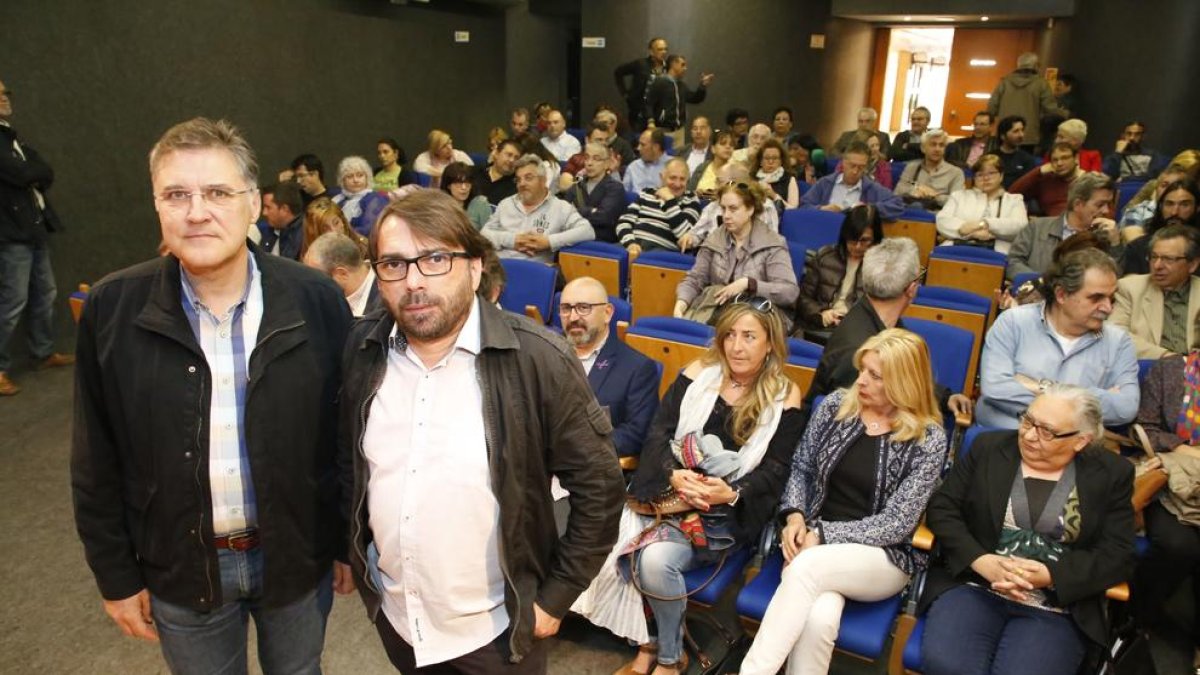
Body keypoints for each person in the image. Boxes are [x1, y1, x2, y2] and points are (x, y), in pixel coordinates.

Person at [71, 117, 354, 674]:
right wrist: (116, 576)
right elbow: (95, 459)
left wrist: (344, 539)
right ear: (157, 206)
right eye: (177, 194)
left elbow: (345, 436)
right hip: (179, 565)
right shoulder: (112, 308)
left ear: (254, 204)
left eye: (218, 193)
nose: (197, 211)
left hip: (296, 556)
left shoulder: (315, 298)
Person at [341, 189, 623, 673]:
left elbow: (600, 489)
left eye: (434, 259)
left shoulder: (539, 359)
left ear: (474, 268)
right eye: (393, 264)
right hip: (398, 621)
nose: (413, 281)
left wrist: (555, 598)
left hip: (496, 634)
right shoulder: (363, 349)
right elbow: (353, 469)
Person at [574, 298, 805, 675]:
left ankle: (666, 657)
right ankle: (653, 642)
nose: (737, 345)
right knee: (603, 540)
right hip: (668, 497)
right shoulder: (699, 373)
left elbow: (777, 469)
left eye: (749, 336)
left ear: (770, 344)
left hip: (724, 515)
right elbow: (658, 435)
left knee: (651, 561)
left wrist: (730, 493)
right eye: (729, 334)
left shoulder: (784, 396)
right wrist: (672, 473)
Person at [738, 329, 947, 675]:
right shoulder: (837, 406)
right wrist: (794, 518)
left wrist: (820, 534)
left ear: (904, 382)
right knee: (819, 619)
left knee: (807, 568)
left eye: (875, 376)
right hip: (812, 543)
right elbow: (802, 467)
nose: (861, 381)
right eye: (862, 369)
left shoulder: (928, 439)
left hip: (883, 556)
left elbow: (897, 524)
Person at [920, 385, 1135, 675]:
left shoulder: (1111, 474)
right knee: (948, 666)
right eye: (1028, 420)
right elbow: (942, 508)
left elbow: (1117, 554)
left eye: (1047, 431)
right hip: (975, 586)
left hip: (1055, 607)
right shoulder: (989, 448)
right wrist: (980, 560)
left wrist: (1052, 576)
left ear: (1081, 441)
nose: (1030, 435)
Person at [804, 237, 973, 419]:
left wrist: (943, 397)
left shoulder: (878, 320)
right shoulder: (859, 353)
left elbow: (903, 378)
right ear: (912, 288)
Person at [978, 248, 1139, 429]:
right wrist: (1085, 400)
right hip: (1005, 438)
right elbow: (995, 389)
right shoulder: (1013, 323)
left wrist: (1043, 387)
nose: (1108, 308)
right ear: (1061, 295)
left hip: (1071, 450)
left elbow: (1126, 408)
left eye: (1111, 299)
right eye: (1096, 298)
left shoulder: (1118, 342)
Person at [0, 77, 74, 395]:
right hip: (12, 234)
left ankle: (42, 352)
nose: (5, 98)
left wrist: (31, 174)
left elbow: (44, 170)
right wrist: (30, 174)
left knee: (46, 292)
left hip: (34, 228)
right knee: (13, 301)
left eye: (5, 92)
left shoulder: (11, 138)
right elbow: (24, 173)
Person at [1132, 334, 1200, 674]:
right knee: (1178, 546)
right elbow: (1145, 428)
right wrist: (1184, 448)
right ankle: (1138, 616)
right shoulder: (1171, 370)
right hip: (1172, 482)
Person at [675, 181, 798, 329]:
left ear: (750, 209)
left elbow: (789, 292)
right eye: (723, 208)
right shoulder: (715, 238)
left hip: (757, 317)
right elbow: (696, 278)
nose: (726, 215)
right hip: (716, 312)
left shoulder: (773, 243)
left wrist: (749, 284)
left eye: (733, 209)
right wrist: (682, 302)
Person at [560, 277, 660, 459]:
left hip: (592, 469)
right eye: (566, 308)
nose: (573, 317)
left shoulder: (637, 367)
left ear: (607, 313)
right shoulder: (546, 353)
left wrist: (574, 448)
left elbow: (636, 435)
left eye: (583, 308)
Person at [481, 154, 594, 264]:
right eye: (518, 179)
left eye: (528, 178)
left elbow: (587, 231)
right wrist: (512, 240)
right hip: (500, 268)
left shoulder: (560, 208)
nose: (522, 183)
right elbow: (484, 234)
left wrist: (548, 242)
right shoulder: (506, 204)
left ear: (543, 180)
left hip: (535, 271)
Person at [1109, 225, 1200, 358]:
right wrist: (1169, 357)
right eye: (1154, 257)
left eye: (1168, 259)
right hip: (1149, 368)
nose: (1157, 266)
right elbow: (1114, 335)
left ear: (1192, 265)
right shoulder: (1129, 289)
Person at [1007, 171, 1117, 280]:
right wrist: (1040, 283)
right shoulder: (1037, 227)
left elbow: (1114, 278)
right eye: (1100, 205)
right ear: (1078, 204)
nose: (1106, 210)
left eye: (1108, 204)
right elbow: (1013, 262)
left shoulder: (1105, 236)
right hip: (1034, 294)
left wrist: (1115, 244)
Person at [795, 204, 881, 336]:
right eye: (852, 240)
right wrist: (821, 313)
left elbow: (880, 311)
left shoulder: (881, 266)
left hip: (857, 332)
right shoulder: (824, 257)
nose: (857, 246)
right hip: (820, 327)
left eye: (864, 241)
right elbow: (803, 298)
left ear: (875, 240)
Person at [935, 154, 1029, 254]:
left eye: (991, 173)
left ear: (1001, 176)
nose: (986, 178)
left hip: (998, 251)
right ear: (974, 178)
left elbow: (1020, 225)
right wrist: (968, 232)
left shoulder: (1014, 200)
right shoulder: (959, 196)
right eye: (980, 174)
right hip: (958, 246)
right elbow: (942, 221)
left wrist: (986, 224)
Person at [616, 158, 700, 258]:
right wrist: (630, 243)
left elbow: (684, 236)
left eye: (682, 179)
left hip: (661, 252)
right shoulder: (647, 193)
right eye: (673, 178)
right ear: (662, 177)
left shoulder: (691, 201)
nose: (677, 184)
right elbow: (623, 222)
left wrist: (669, 200)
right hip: (632, 245)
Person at [685, 162, 779, 249]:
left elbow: (771, 243)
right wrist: (689, 239)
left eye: (719, 181)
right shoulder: (714, 206)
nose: (715, 186)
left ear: (734, 183)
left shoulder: (765, 206)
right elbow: (696, 234)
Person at [801, 141, 904, 220]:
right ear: (843, 163)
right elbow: (803, 205)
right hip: (826, 228)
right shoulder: (825, 183)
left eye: (861, 167)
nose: (855, 171)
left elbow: (898, 204)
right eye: (852, 165)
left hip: (854, 238)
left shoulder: (871, 187)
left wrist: (868, 209)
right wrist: (821, 209)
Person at [986, 52, 1067, 151]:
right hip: (1028, 134)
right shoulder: (1041, 84)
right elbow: (1050, 108)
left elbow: (992, 107)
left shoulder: (1005, 82)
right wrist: (1064, 114)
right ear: (1035, 66)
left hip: (1005, 132)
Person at [1120, 179, 1200, 275]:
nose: (1174, 212)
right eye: (1169, 204)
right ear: (1160, 207)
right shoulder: (1138, 248)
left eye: (1184, 205)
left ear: (1197, 208)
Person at [559, 141, 626, 243]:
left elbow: (603, 218)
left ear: (607, 163)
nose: (589, 163)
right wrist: (591, 211)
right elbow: (563, 214)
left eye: (596, 159)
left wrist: (576, 210)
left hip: (601, 241)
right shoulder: (578, 184)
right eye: (586, 158)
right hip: (573, 237)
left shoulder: (615, 188)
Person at [302, 231, 379, 317]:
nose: (314, 289)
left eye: (318, 280)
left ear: (342, 274)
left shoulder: (385, 304)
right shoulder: (327, 305)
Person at [645, 54, 713, 151]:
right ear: (673, 65)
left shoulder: (681, 85)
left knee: (677, 161)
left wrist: (702, 86)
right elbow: (649, 103)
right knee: (662, 160)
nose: (685, 68)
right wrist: (650, 122)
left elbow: (695, 99)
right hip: (663, 131)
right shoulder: (660, 82)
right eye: (683, 65)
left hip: (679, 131)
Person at [895, 129, 965, 211]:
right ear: (923, 148)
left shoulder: (956, 172)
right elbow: (897, 192)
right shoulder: (912, 167)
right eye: (933, 145)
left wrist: (935, 196)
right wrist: (915, 191)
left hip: (938, 216)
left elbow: (957, 202)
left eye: (941, 145)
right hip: (910, 211)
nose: (937, 149)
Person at [1010, 141, 1084, 217]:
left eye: (1065, 158)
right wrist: (1038, 171)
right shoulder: (1045, 181)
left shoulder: (1087, 181)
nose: (1059, 163)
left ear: (1076, 158)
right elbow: (1012, 194)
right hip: (1050, 225)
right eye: (1055, 160)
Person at [614, 37, 669, 131]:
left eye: (665, 49)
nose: (663, 52)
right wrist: (625, 93)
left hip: (659, 114)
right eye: (660, 49)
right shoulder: (640, 64)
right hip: (639, 113)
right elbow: (618, 72)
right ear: (651, 51)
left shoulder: (668, 67)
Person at [1120, 164, 1192, 232]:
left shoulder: (1193, 212)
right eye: (1164, 185)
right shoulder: (1138, 212)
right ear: (1156, 188)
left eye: (1175, 185)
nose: (1169, 190)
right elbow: (1134, 242)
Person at [333, 155, 389, 237]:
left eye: (360, 175)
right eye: (349, 176)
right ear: (342, 181)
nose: (355, 180)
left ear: (367, 178)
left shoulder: (375, 199)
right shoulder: (337, 200)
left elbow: (368, 229)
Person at [301, 196, 366, 260]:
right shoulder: (311, 261)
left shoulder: (364, 247)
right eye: (325, 228)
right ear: (314, 232)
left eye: (336, 223)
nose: (334, 231)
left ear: (343, 221)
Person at [1102, 120, 1169, 182]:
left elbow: (1153, 177)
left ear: (1143, 137)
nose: (1132, 138)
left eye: (1137, 134)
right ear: (1123, 135)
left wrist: (1124, 179)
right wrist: (1117, 153)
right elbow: (1107, 176)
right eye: (1129, 133)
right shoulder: (1114, 157)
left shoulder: (1152, 155)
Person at [258, 181, 306, 260]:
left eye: (268, 207)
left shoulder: (304, 235)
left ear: (284, 209)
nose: (264, 213)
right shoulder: (270, 230)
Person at [440, 161, 493, 230]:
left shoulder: (480, 203)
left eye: (467, 182)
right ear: (448, 185)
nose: (464, 187)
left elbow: (489, 234)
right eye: (459, 183)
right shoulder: (440, 205)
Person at [752, 138, 800, 213]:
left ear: (781, 161)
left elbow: (793, 210)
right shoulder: (752, 179)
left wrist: (774, 196)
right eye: (767, 158)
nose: (771, 162)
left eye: (775, 158)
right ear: (760, 161)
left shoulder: (790, 179)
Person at [473, 137, 521, 207]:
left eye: (516, 158)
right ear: (496, 154)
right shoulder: (475, 173)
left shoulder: (517, 186)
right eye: (509, 155)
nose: (512, 160)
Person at [687, 130, 735, 198]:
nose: (728, 147)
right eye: (723, 143)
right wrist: (697, 194)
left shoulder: (736, 171)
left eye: (731, 145)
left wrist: (706, 195)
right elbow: (688, 192)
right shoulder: (702, 167)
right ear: (713, 149)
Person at [994, 115, 1037, 188]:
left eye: (1022, 130)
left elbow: (1029, 186)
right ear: (1003, 136)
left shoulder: (1027, 159)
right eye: (1015, 131)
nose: (1021, 135)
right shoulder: (992, 157)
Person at [623, 128, 671, 194]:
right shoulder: (633, 167)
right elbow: (621, 194)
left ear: (656, 147)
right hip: (637, 203)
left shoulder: (674, 166)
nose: (638, 148)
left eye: (643, 145)